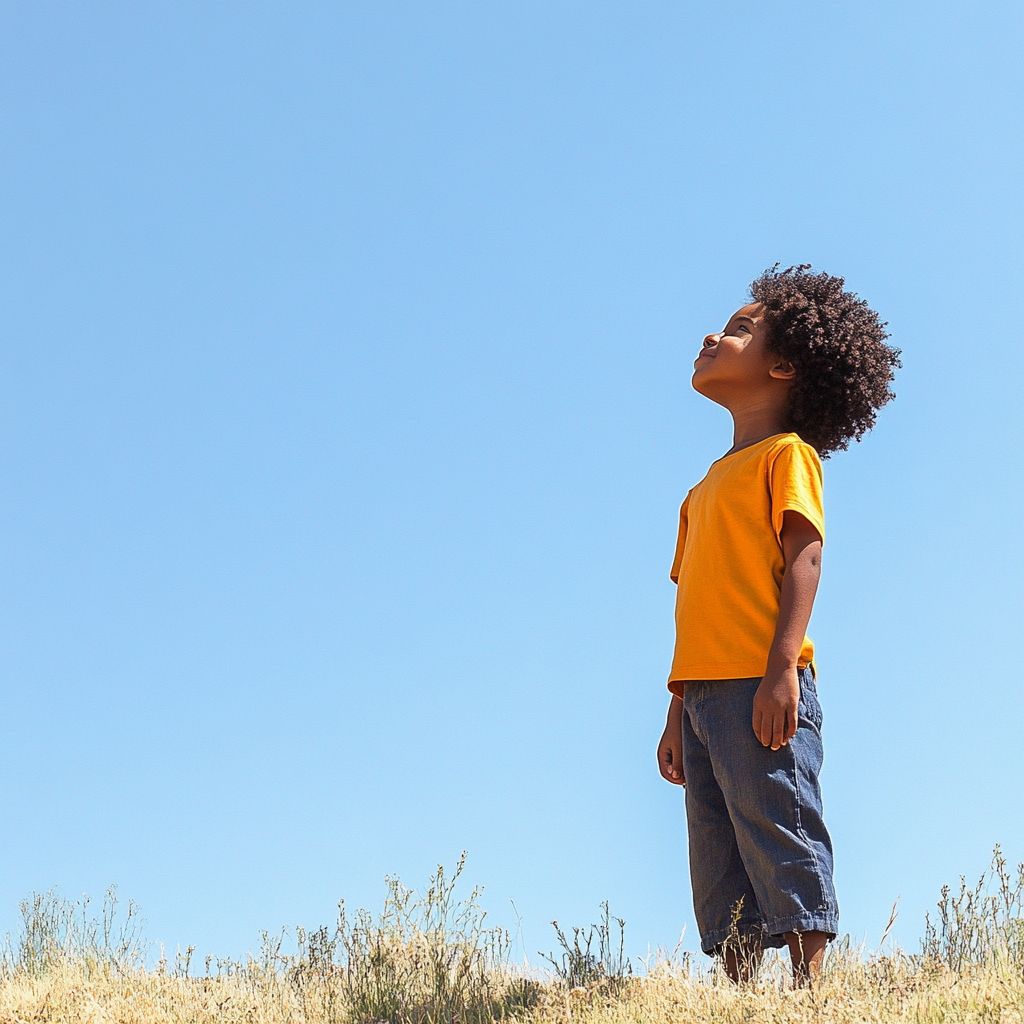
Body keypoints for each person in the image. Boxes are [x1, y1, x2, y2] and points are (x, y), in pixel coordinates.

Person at [656, 265, 900, 984]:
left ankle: (811, 989)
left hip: (762, 686)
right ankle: (740, 992)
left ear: (784, 366)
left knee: (780, 830)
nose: (712, 334)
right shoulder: (702, 488)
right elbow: (692, 607)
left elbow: (805, 558)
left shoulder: (785, 457)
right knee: (718, 849)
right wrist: (676, 712)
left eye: (738, 329)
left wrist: (782, 668)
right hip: (702, 697)